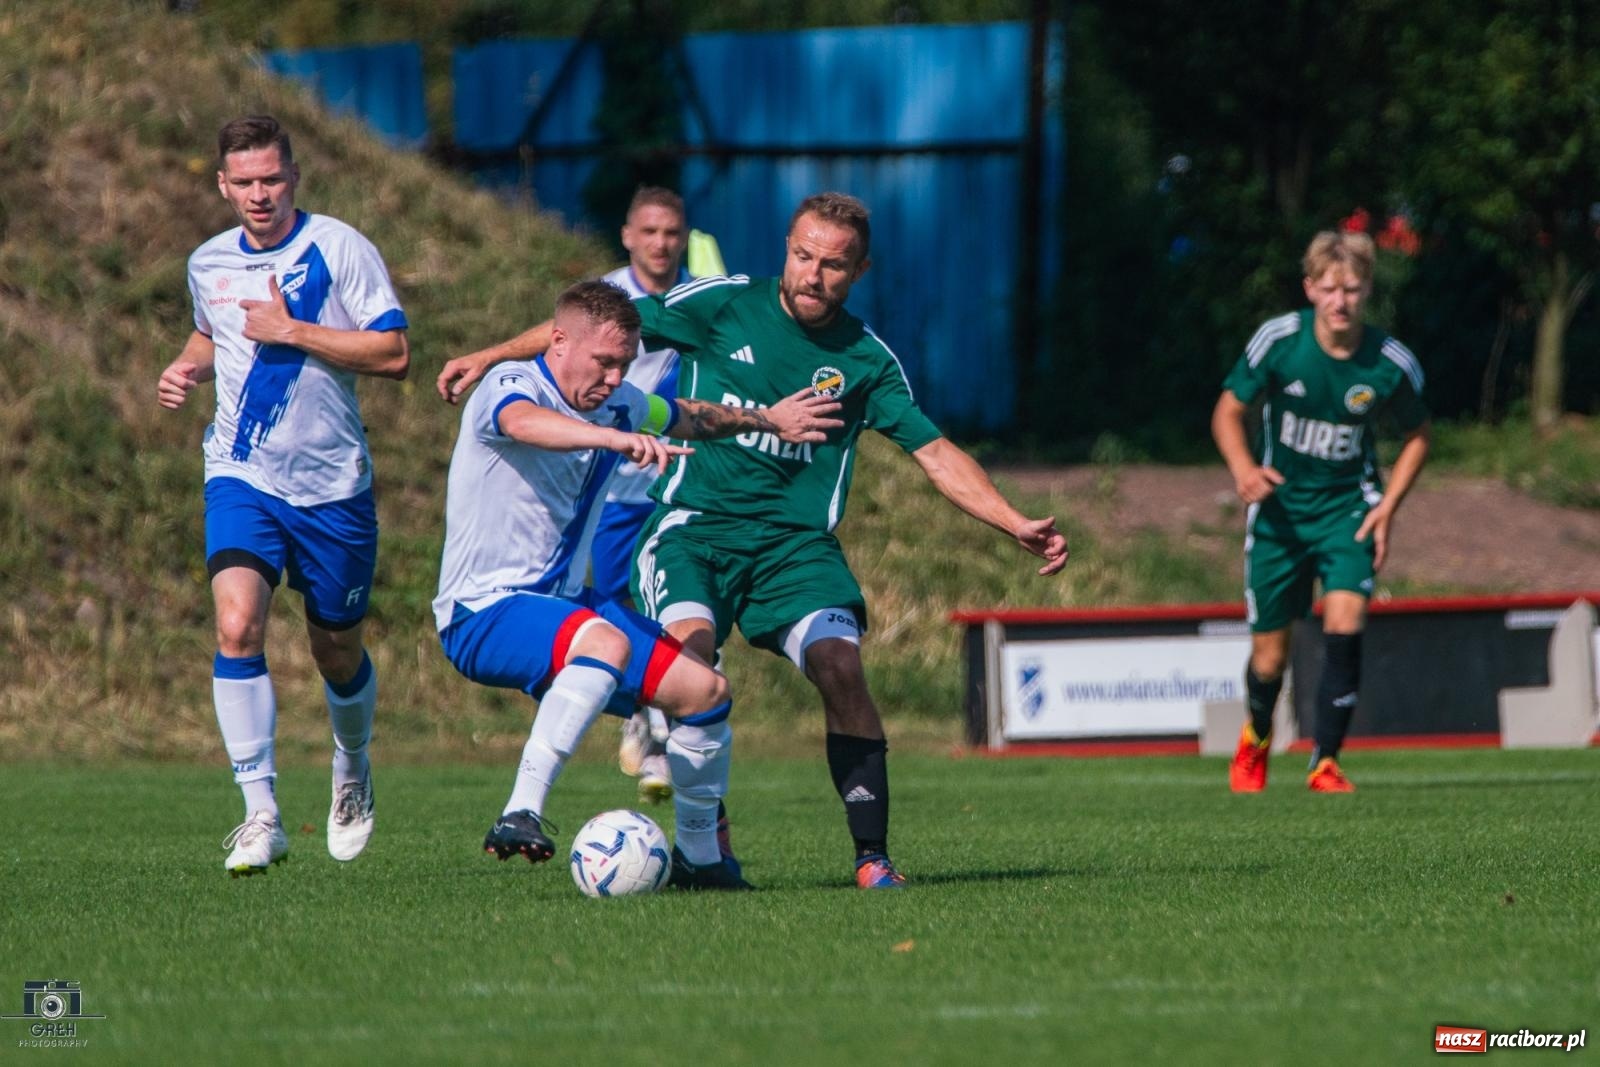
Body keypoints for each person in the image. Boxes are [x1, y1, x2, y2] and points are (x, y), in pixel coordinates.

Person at [438, 192, 1068, 889]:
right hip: (693, 530)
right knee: (690, 655)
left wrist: (1013, 520)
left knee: (838, 668)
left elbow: (935, 452)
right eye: (802, 255)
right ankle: (697, 846)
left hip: (795, 547)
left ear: (859, 270)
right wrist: (490, 354)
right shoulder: (721, 304)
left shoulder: (865, 360)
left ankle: (868, 857)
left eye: (833, 264)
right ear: (787, 248)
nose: (812, 274)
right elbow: (595, 330)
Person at [435, 279, 839, 888]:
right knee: (606, 643)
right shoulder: (512, 385)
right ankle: (521, 811)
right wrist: (611, 436)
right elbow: (523, 424)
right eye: (604, 361)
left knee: (704, 692)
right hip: (482, 611)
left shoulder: (615, 399)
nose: (614, 375)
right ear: (560, 340)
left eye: (624, 363)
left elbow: (688, 417)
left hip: (566, 608)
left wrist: (766, 418)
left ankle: (701, 861)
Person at [157, 115, 410, 875]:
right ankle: (260, 812)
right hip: (242, 472)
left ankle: (353, 762)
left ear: (294, 176)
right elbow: (214, 333)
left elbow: (394, 351)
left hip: (333, 487)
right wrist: (187, 365)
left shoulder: (339, 248)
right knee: (237, 623)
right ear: (223, 185)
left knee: (336, 651)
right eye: (245, 182)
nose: (259, 194)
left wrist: (294, 330)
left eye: (272, 179)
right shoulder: (208, 262)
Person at [1212, 230, 1430, 794]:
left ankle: (1325, 761)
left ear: (1367, 292)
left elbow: (1418, 437)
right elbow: (1228, 411)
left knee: (1345, 621)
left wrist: (1387, 509)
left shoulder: (1389, 362)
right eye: (1330, 289)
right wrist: (1243, 471)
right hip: (1280, 517)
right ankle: (1257, 737)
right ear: (1310, 288)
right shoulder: (1279, 342)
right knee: (1269, 659)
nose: (1341, 301)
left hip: (1347, 512)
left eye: (1353, 290)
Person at [593, 187, 696, 803]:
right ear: (628, 235)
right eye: (649, 231)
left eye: (672, 232)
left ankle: (662, 740)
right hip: (608, 492)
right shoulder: (605, 299)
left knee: (669, 613)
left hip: (675, 487)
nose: (661, 243)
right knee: (606, 612)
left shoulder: (704, 299)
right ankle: (640, 712)